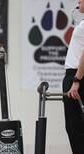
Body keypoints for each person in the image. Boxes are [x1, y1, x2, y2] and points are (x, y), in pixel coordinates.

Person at [63, 0, 84, 153]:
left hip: (77, 76)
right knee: (72, 127)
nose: (78, 1)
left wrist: (76, 80)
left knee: (76, 127)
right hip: (74, 75)